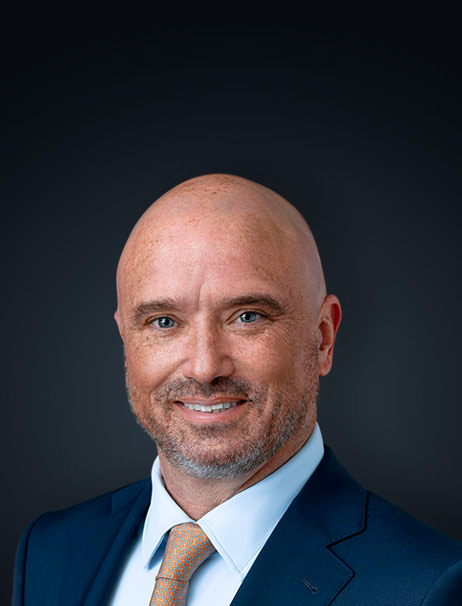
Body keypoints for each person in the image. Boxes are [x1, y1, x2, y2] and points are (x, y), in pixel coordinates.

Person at [13, 174, 462, 605]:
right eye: (164, 322)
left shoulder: (428, 587)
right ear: (125, 339)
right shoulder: (50, 550)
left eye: (248, 316)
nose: (204, 368)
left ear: (323, 337)